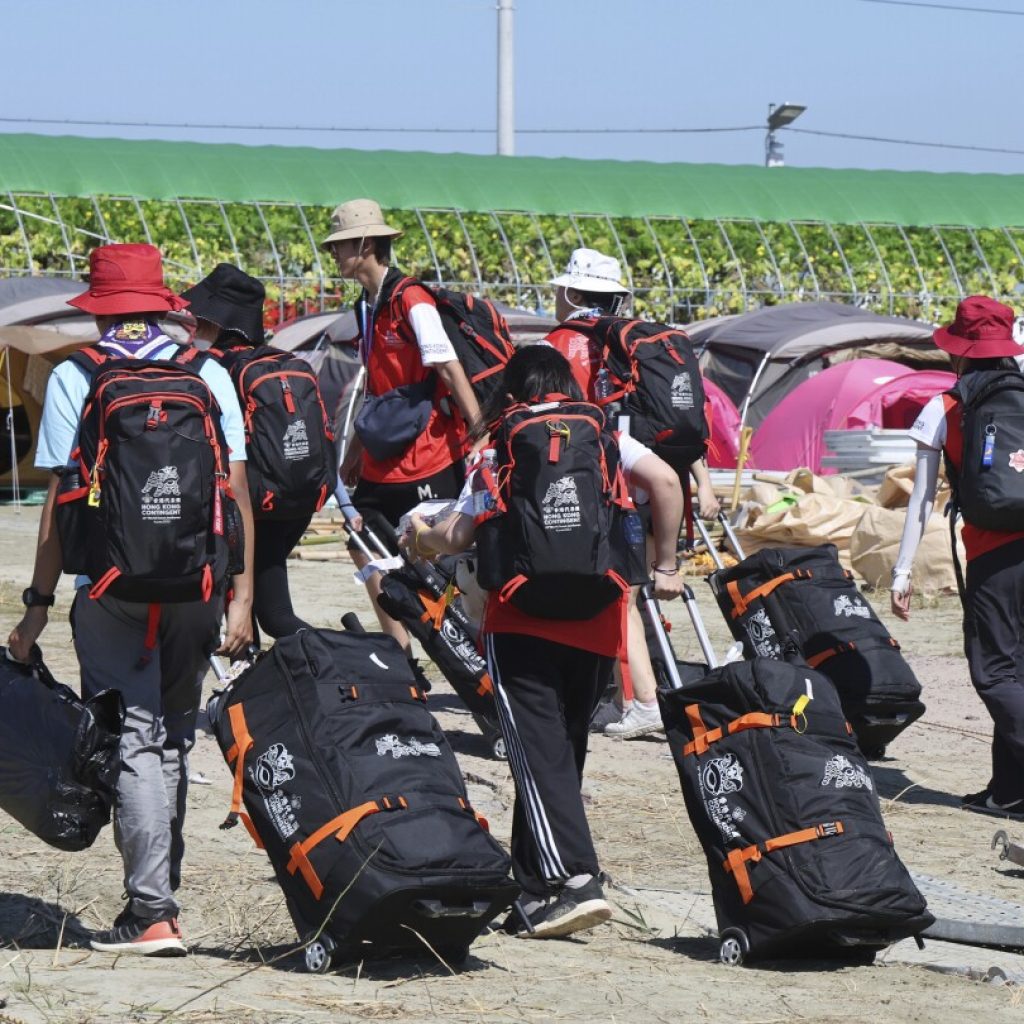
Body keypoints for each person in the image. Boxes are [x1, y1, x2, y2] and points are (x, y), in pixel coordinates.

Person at [8, 243, 255, 955]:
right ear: (160, 302)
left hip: (110, 589)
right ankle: (157, 895)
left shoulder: (77, 376)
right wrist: (240, 597)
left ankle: (152, 911)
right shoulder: (207, 370)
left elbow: (62, 501)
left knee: (134, 739)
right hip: (198, 587)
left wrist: (36, 603)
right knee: (172, 734)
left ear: (101, 306)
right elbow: (234, 492)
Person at [406, 346, 684, 939]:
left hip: (521, 618)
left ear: (512, 389)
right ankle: (533, 888)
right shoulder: (605, 431)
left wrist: (421, 540)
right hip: (598, 615)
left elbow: (458, 534)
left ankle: (575, 881)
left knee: (538, 756)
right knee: (563, 752)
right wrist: (666, 565)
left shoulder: (502, 442)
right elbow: (664, 480)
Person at [545, 248, 720, 738]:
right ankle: (643, 694)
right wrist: (702, 483)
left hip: (611, 476)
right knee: (630, 595)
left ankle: (642, 700)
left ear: (573, 293)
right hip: (651, 481)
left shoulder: (563, 342)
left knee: (619, 596)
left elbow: (557, 415)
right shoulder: (636, 342)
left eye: (559, 291)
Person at [324, 199, 481, 657]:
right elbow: (375, 385)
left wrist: (480, 433)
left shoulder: (412, 299)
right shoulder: (365, 307)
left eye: (340, 246)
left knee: (441, 555)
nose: (333, 255)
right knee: (362, 540)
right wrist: (354, 449)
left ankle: (460, 650)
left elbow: (450, 368)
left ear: (366, 244)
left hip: (430, 451)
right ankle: (401, 654)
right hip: (383, 450)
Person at [891, 295, 1024, 821]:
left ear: (960, 352)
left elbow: (920, 500)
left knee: (995, 673)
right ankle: (1010, 793)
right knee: (1019, 676)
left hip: (995, 557)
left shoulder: (945, 408)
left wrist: (902, 572)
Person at [183, 262, 337, 639]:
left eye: (198, 317)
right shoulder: (285, 362)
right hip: (296, 500)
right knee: (265, 608)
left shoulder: (214, 370)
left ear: (214, 321)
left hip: (250, 507)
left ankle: (350, 659)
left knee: (269, 614)